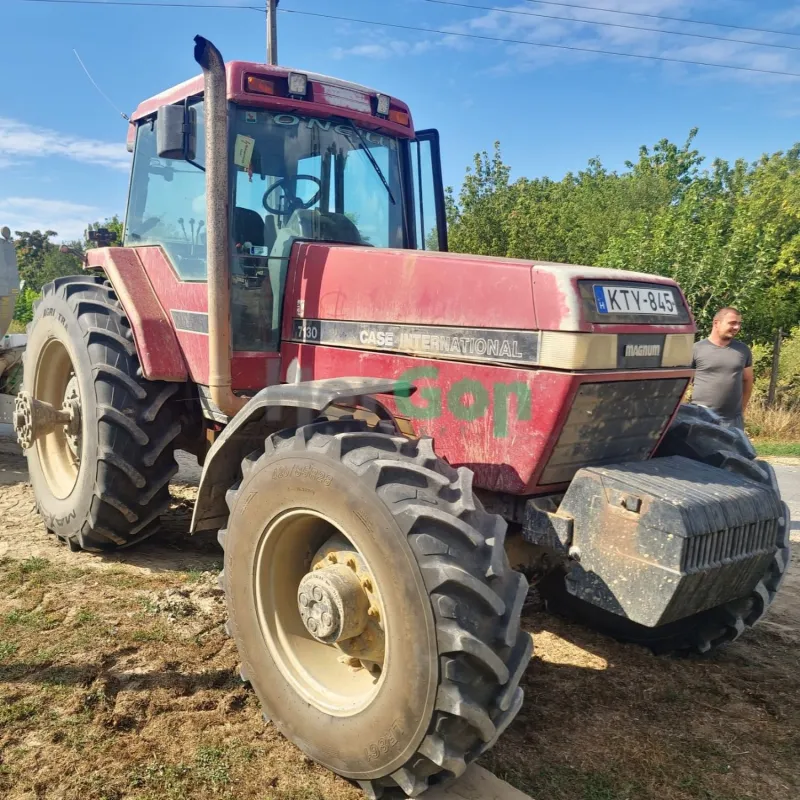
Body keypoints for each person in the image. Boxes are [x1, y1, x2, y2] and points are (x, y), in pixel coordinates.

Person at [691, 306, 753, 431]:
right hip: (701, 417)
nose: (736, 327)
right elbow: (683, 383)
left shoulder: (743, 350)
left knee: (733, 451)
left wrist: (741, 410)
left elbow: (748, 380)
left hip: (732, 420)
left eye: (739, 324)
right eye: (732, 323)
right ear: (716, 323)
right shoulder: (696, 349)